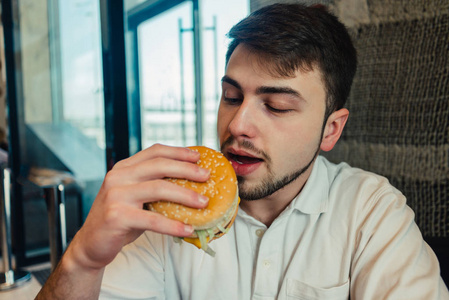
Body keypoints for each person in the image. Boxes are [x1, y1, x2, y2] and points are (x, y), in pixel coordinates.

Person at [36, 3, 449, 299]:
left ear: (331, 129)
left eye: (277, 106)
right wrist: (82, 262)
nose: (237, 125)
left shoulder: (371, 212)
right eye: (231, 97)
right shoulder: (172, 209)